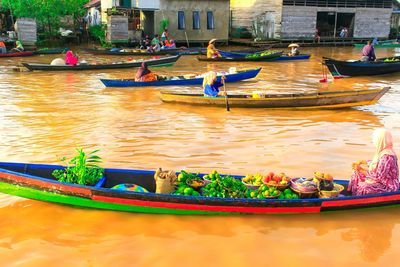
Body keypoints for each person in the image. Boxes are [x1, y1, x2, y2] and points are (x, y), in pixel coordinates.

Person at [348, 128, 399, 196]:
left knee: (364, 188)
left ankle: (356, 199)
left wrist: (361, 169)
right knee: (356, 173)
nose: (374, 140)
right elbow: (377, 164)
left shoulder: (387, 156)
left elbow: (378, 177)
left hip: (388, 186)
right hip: (381, 181)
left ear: (380, 140)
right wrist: (364, 162)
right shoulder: (384, 151)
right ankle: (351, 194)